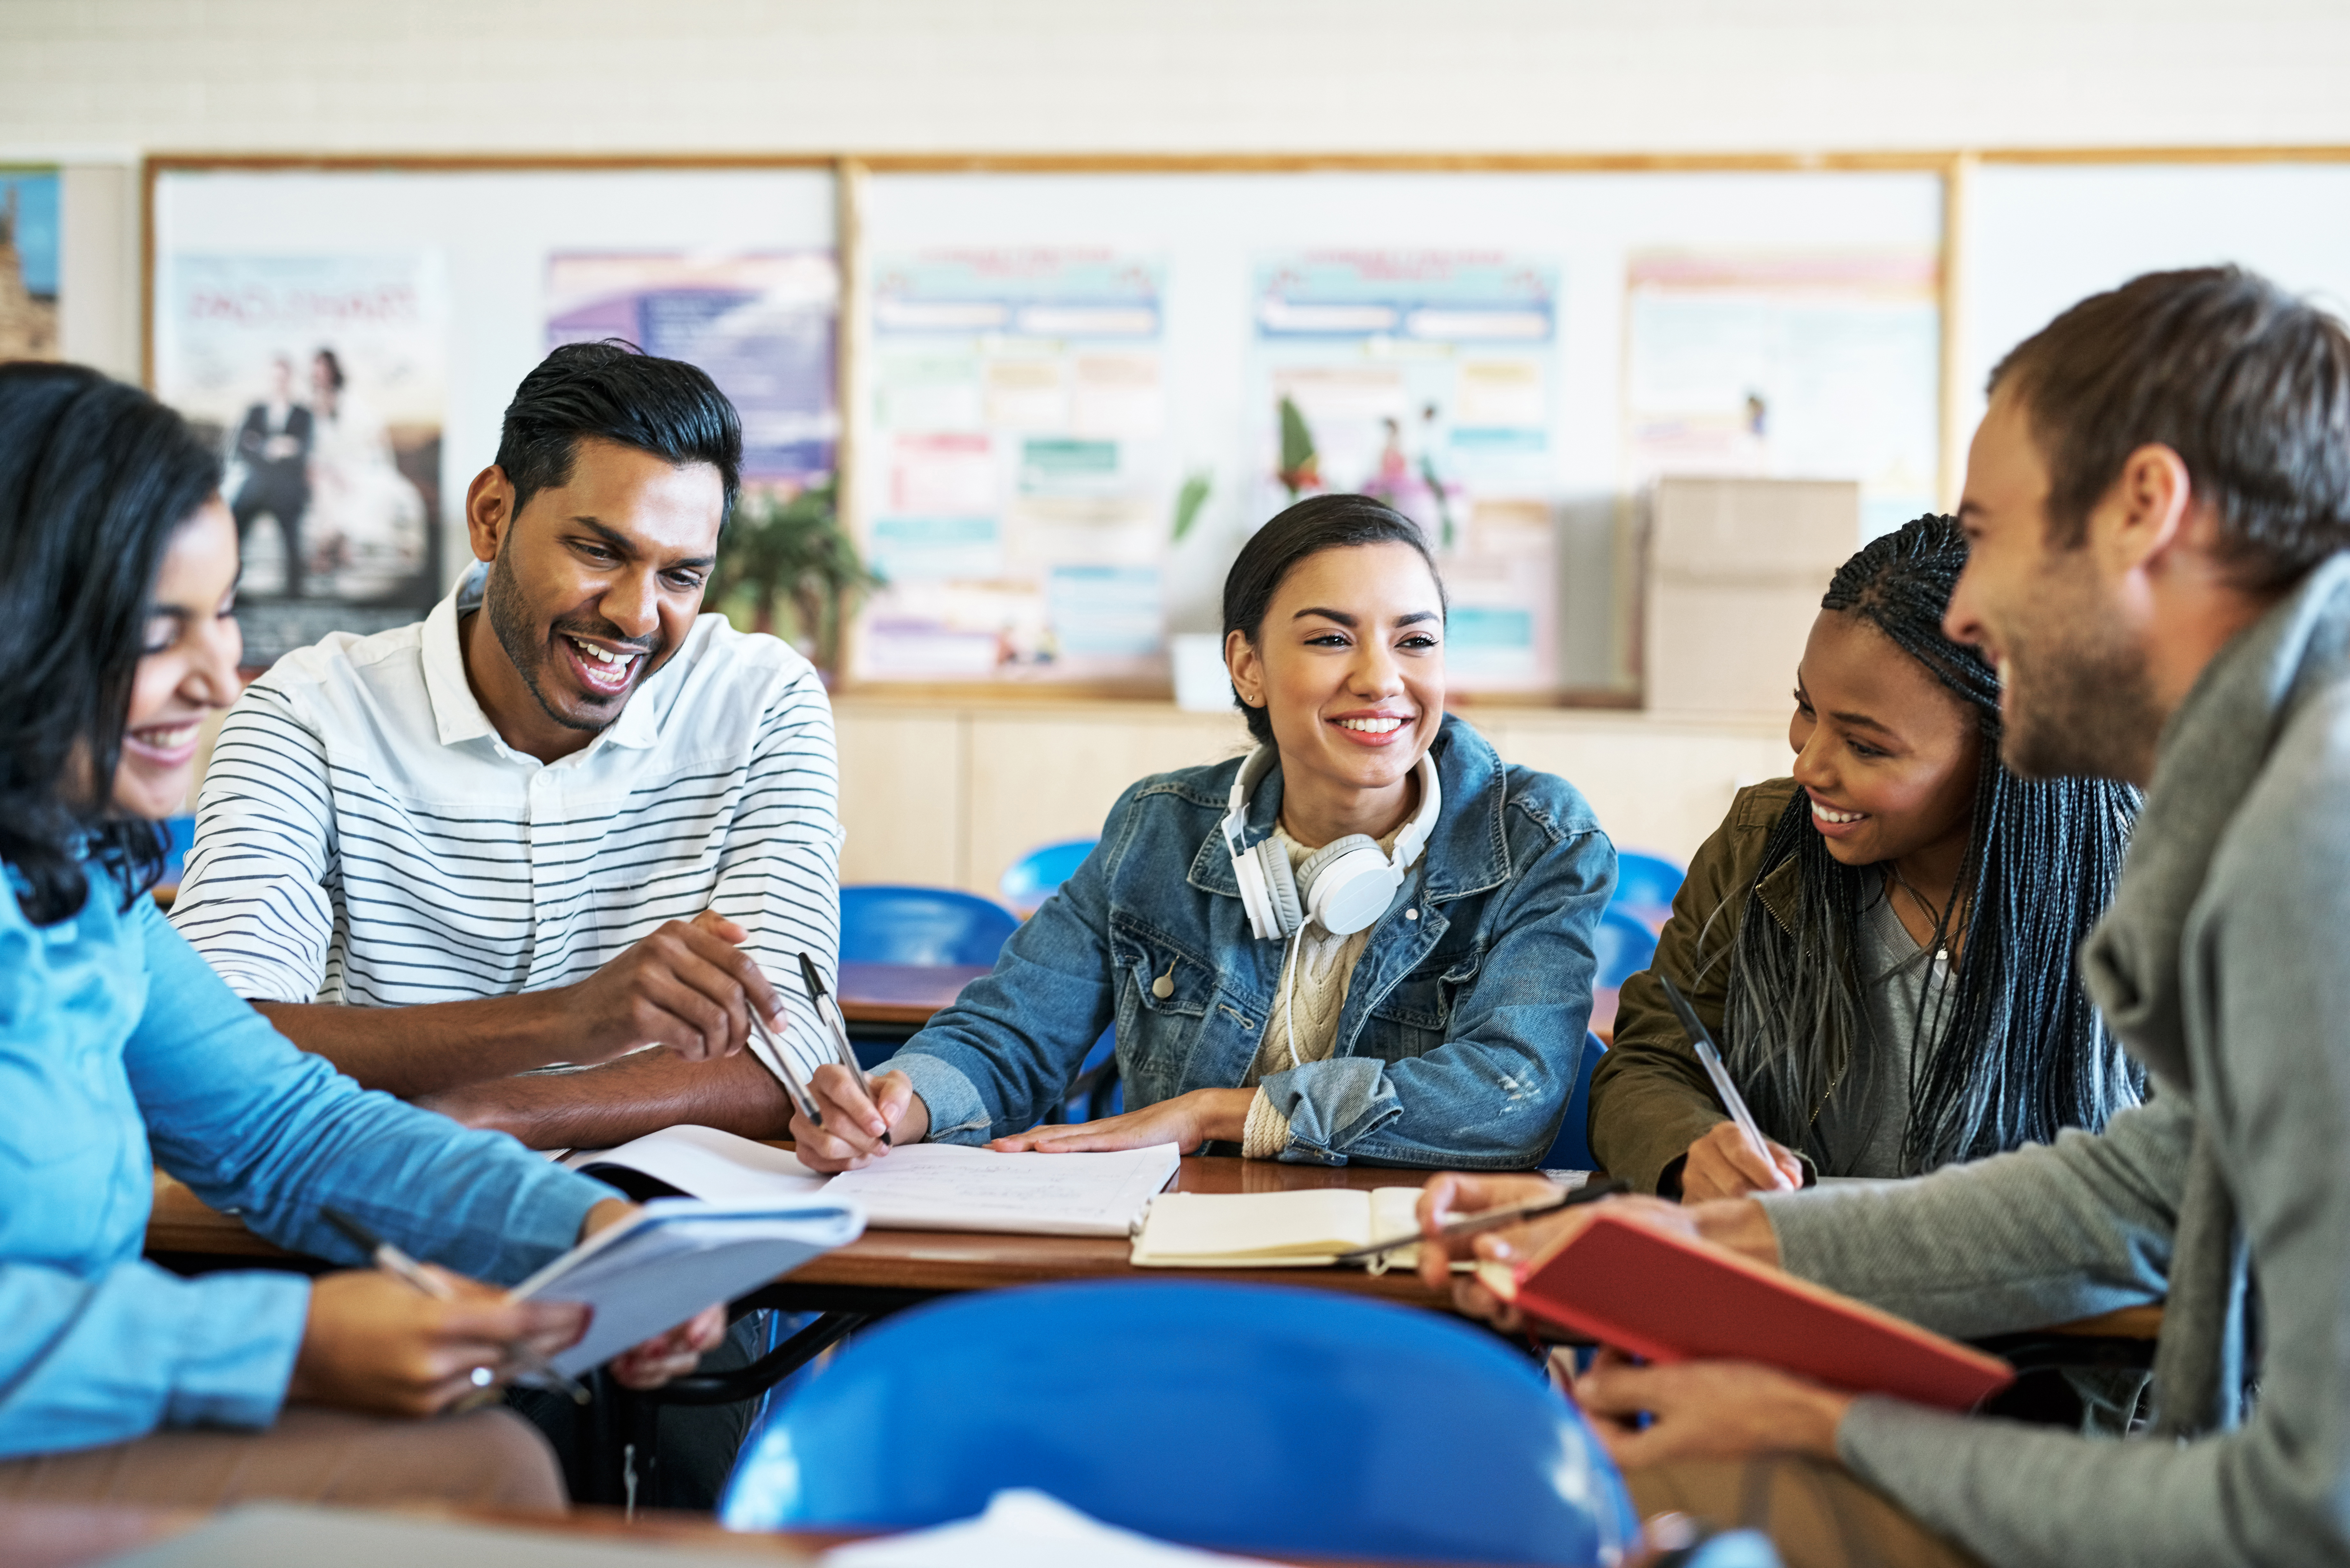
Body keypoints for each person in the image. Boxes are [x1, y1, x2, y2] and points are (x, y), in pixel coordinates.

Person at [1421, 266, 2350, 1568]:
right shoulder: (2285, 788)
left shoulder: (2311, 841)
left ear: (2145, 508)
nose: (1969, 607)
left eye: (1992, 532)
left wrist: (1826, 1421)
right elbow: (2154, 1190)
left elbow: (2303, 1517)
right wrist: (1711, 1234)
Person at [0, 361, 725, 1509]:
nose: (217, 680)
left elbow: (285, 1127)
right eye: (157, 631)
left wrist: (587, 1226)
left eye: (224, 614)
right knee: (482, 1474)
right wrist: (285, 1340)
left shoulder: (80, 888)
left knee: (491, 1462)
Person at [791, 493, 1614, 1172]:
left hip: (1416, 1276)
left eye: (1415, 640)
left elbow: (1510, 1093)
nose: (1380, 677)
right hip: (1178, 1265)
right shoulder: (1159, 828)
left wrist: (1214, 1113)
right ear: (1246, 664)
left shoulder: (1535, 839)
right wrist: (901, 1099)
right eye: (1330, 638)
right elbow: (1014, 1032)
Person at [169, 340, 840, 1155]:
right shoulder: (311, 716)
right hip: (392, 1221)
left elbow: (790, 1050)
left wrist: (508, 1113)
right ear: (492, 516)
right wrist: (571, 1021)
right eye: (599, 551)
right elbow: (208, 1044)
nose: (636, 614)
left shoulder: (761, 701)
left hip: (666, 1219)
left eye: (681, 576)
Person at [1592, 515, 2141, 1202]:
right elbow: (1647, 1060)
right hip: (1794, 1284)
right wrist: (1690, 1148)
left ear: (2007, 751)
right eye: (1805, 708)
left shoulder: (2147, 887)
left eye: (1866, 745)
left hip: (2050, 1304)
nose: (1807, 763)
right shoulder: (1760, 845)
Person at [304, 345, 429, 600]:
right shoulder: (309, 407)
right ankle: (331, 548)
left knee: (373, 490)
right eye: (317, 372)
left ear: (333, 371)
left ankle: (347, 551)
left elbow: (370, 440)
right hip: (323, 470)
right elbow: (311, 448)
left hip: (352, 466)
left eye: (325, 370)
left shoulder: (351, 404)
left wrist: (349, 466)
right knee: (326, 490)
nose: (321, 377)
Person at [227, 354, 313, 598]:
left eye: (283, 378)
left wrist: (262, 445)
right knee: (233, 531)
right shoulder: (255, 411)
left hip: (287, 489)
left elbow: (304, 450)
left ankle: (294, 595)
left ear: (290, 379)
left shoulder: (302, 414)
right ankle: (230, 588)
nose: (279, 383)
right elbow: (243, 448)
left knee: (292, 543)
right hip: (257, 486)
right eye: (275, 378)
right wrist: (273, 447)